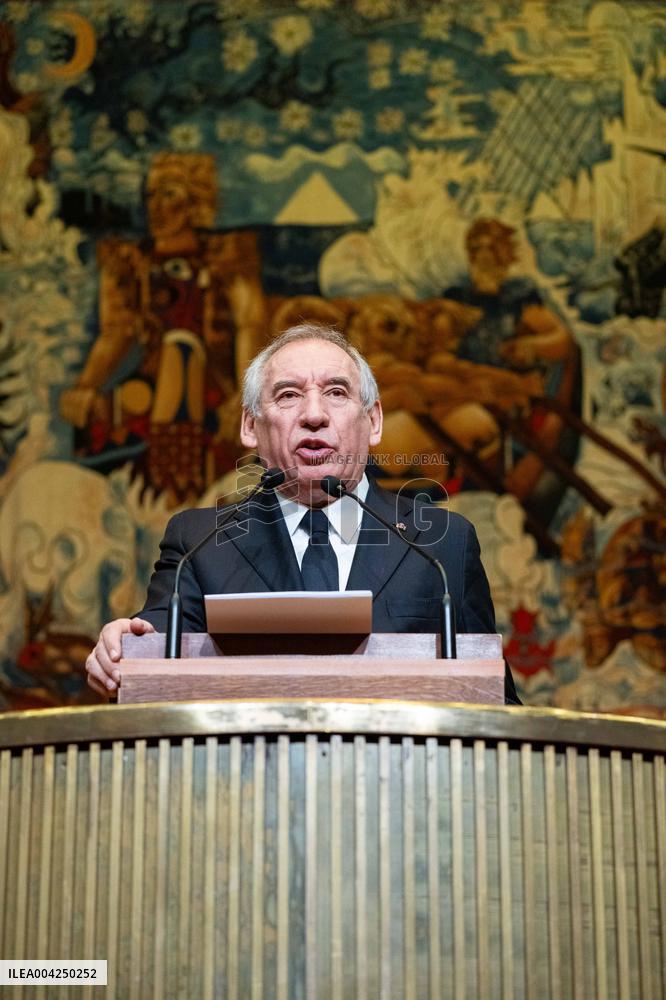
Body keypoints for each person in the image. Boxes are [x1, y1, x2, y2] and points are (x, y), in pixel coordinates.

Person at [85, 324, 520, 703]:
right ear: (250, 427)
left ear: (373, 421)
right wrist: (121, 654)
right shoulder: (199, 543)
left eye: (336, 392)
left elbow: (494, 697)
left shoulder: (441, 542)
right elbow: (153, 650)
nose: (314, 415)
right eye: (289, 395)